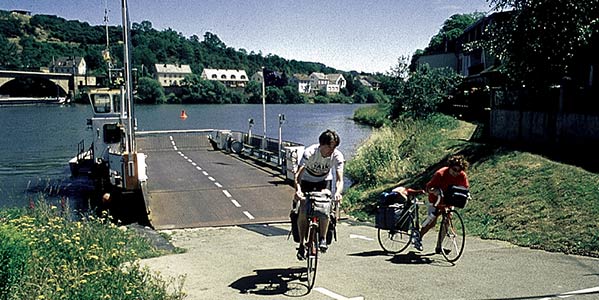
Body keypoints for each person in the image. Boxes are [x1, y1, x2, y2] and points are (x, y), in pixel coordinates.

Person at [294, 129, 344, 260]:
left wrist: (338, 193)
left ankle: (322, 238)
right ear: (321, 145)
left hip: (324, 181)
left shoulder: (337, 156)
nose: (331, 151)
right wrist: (298, 190)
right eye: (329, 147)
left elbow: (339, 179)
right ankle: (301, 245)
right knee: (303, 209)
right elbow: (297, 176)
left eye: (334, 148)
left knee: (326, 207)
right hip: (306, 180)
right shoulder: (309, 153)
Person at [418, 154, 470, 252]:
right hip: (436, 200)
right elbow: (428, 188)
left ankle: (439, 246)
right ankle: (419, 237)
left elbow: (465, 188)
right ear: (450, 167)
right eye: (454, 170)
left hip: (449, 200)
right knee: (431, 223)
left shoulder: (462, 175)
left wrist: (467, 195)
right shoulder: (440, 174)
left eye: (459, 170)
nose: (457, 173)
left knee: (447, 221)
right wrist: (434, 191)